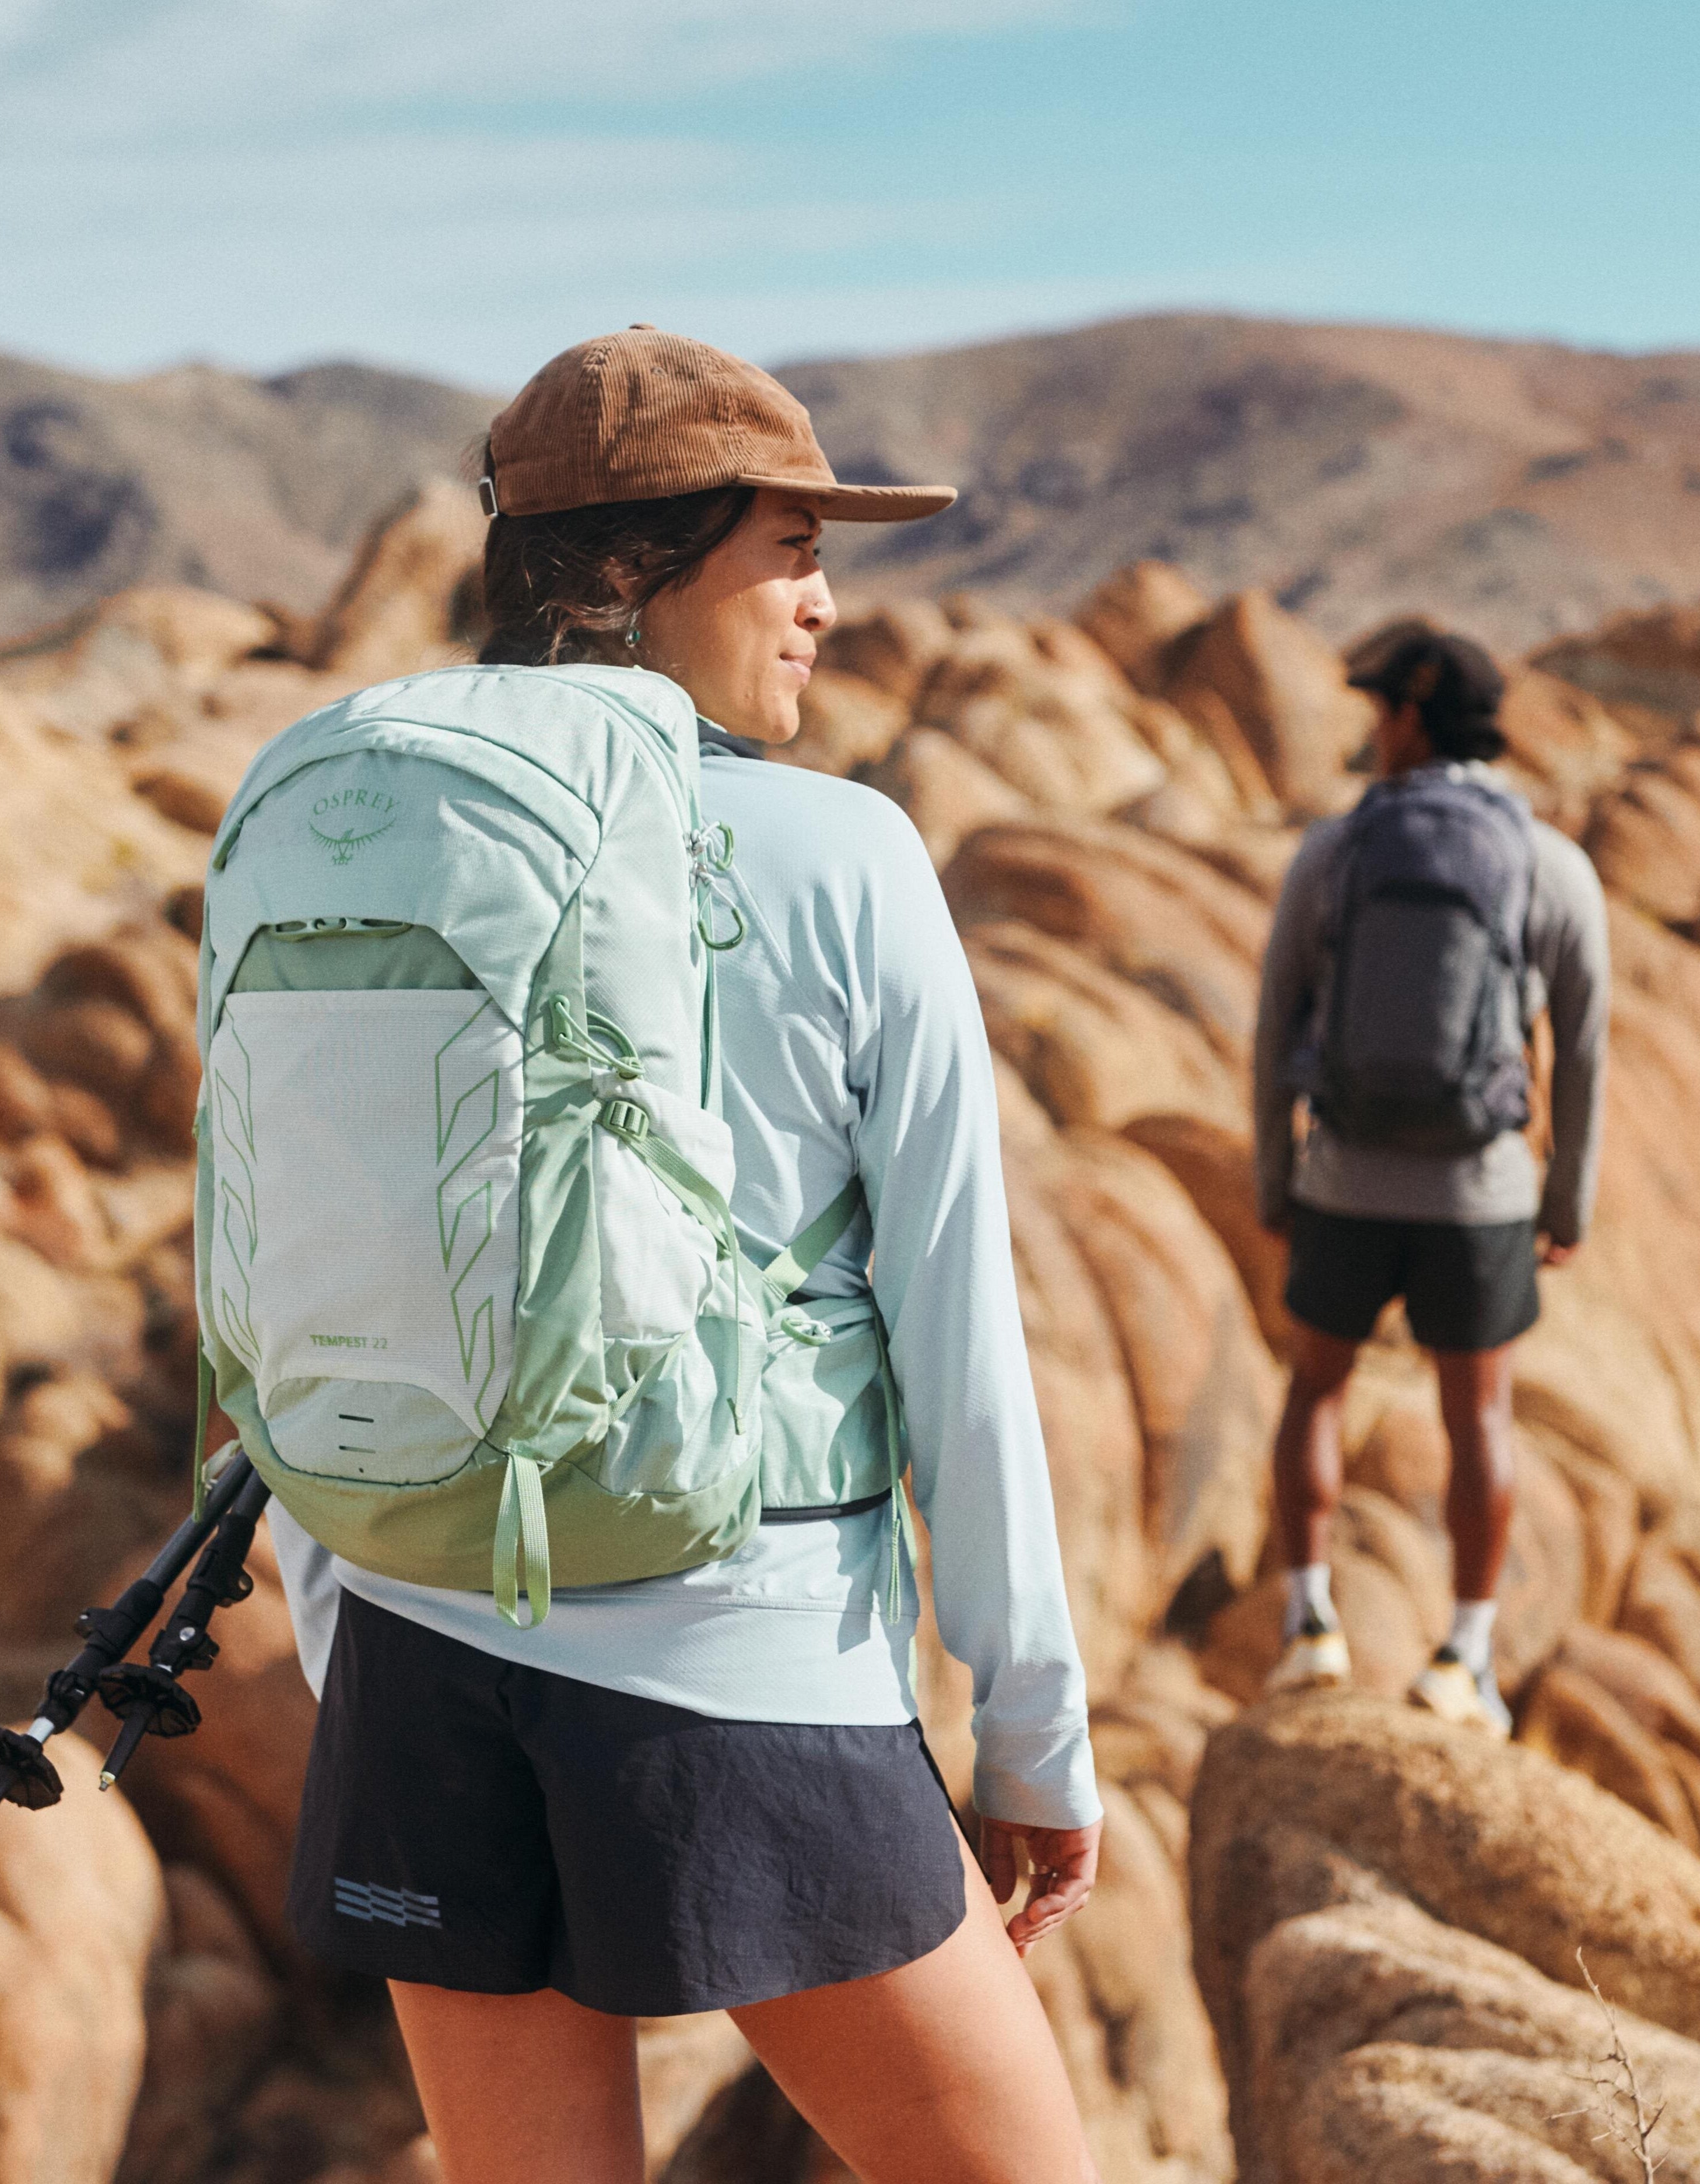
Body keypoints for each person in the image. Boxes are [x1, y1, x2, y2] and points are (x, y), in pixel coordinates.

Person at [267, 328, 1105, 2184]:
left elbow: (279, 1267)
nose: (824, 603)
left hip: (414, 1657)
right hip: (750, 1671)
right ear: (634, 573)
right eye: (788, 548)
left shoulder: (345, 813)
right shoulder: (845, 854)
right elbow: (959, 1325)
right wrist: (1034, 1738)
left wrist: (379, 1637)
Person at [1250, 622, 1610, 1735]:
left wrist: (1278, 1179)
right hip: (1480, 1194)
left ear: (1409, 719)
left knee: (1317, 1389)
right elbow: (1587, 1044)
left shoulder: (1337, 851)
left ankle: (1311, 1629)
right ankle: (1463, 1657)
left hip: (1347, 1182)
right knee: (1479, 1416)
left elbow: (1276, 1029)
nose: (1372, 734)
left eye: (1379, 714)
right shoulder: (1548, 861)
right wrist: (1566, 1200)